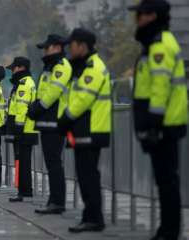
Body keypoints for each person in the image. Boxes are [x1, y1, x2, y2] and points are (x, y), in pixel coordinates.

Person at [128, 1, 187, 239]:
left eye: (140, 15)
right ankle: (167, 229)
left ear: (152, 16)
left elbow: (160, 87)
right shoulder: (154, 43)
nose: (137, 20)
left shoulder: (160, 44)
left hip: (164, 124)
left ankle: (170, 231)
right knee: (164, 180)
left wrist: (153, 121)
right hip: (162, 122)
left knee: (167, 180)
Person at [58, 28, 111, 233]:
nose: (69, 49)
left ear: (82, 45)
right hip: (84, 129)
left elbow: (83, 100)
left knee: (89, 176)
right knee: (85, 175)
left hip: (92, 128)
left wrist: (65, 118)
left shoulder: (93, 67)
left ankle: (94, 219)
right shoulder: (82, 67)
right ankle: (90, 217)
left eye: (71, 45)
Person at [27, 34, 72, 214]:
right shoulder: (50, 66)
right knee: (51, 162)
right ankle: (53, 200)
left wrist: (37, 107)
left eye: (47, 48)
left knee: (54, 163)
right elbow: (44, 91)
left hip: (55, 120)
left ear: (57, 47)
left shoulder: (61, 66)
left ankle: (58, 202)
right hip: (47, 120)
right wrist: (37, 106)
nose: (45, 51)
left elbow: (54, 92)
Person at [5, 57, 38, 202]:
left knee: (23, 161)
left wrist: (17, 127)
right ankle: (24, 190)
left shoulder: (24, 84)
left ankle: (23, 191)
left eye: (13, 68)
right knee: (22, 160)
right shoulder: (21, 83)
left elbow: (22, 107)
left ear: (21, 68)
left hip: (24, 128)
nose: (12, 71)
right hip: (24, 128)